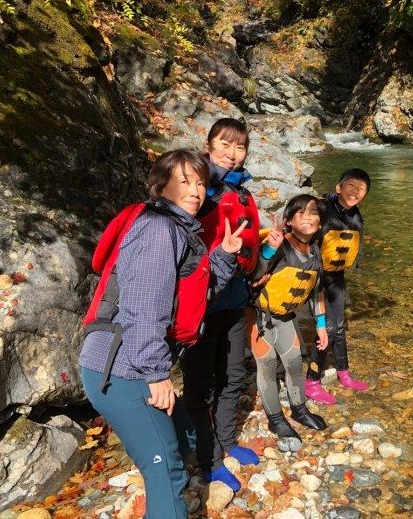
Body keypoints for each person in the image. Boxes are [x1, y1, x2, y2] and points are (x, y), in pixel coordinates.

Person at [79, 149, 244, 519]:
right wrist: (156, 375)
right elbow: (144, 310)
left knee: (186, 436)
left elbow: (192, 295)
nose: (196, 190)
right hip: (123, 368)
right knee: (166, 471)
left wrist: (226, 254)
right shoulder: (158, 229)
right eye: (184, 181)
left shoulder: (179, 230)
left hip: (127, 361)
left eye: (201, 182)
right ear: (160, 186)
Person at [180, 118, 262, 492]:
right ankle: (208, 458)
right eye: (225, 144)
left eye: (240, 147)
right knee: (200, 387)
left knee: (232, 377)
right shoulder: (198, 189)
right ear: (209, 144)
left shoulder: (243, 193)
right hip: (201, 303)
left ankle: (227, 441)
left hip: (233, 299)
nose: (232, 153)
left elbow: (249, 248)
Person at [250, 194, 329, 439]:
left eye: (313, 212)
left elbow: (317, 290)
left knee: (295, 362)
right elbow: (254, 274)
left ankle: (299, 409)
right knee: (268, 363)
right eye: (300, 213)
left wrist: (322, 325)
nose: (308, 217)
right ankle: (275, 419)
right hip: (257, 315)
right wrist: (269, 249)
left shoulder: (315, 251)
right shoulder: (280, 245)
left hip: (284, 316)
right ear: (289, 222)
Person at [305, 168, 371, 405]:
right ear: (338, 187)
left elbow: (354, 248)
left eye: (361, 189)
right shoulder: (321, 208)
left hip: (336, 277)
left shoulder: (356, 218)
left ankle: (344, 373)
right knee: (329, 328)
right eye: (351, 185)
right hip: (314, 279)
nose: (355, 191)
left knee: (340, 326)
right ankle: (312, 381)